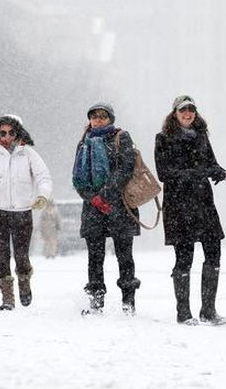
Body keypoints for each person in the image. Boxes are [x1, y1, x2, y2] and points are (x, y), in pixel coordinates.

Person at [154, 95, 226, 326]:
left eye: (191, 110)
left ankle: (208, 310)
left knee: (214, 252)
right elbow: (164, 174)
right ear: (174, 114)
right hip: (178, 205)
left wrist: (217, 171)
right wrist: (195, 173)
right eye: (183, 110)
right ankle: (183, 313)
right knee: (184, 258)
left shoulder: (202, 136)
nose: (188, 114)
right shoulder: (163, 138)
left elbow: (211, 162)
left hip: (203, 203)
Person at [0, 114, 52, 310]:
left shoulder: (29, 155)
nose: (7, 137)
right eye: (3, 133)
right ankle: (7, 297)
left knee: (21, 254)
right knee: (2, 255)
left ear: (18, 132)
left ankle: (24, 281)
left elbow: (43, 177)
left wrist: (42, 196)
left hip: (23, 213)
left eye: (11, 132)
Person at [72, 102, 141, 315]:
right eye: (94, 116)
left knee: (124, 256)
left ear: (111, 118)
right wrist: (93, 198)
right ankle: (96, 302)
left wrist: (106, 192)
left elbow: (127, 168)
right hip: (93, 210)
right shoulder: (84, 142)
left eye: (103, 116)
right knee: (95, 257)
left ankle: (128, 302)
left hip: (119, 206)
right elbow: (77, 177)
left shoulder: (121, 137)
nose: (98, 119)